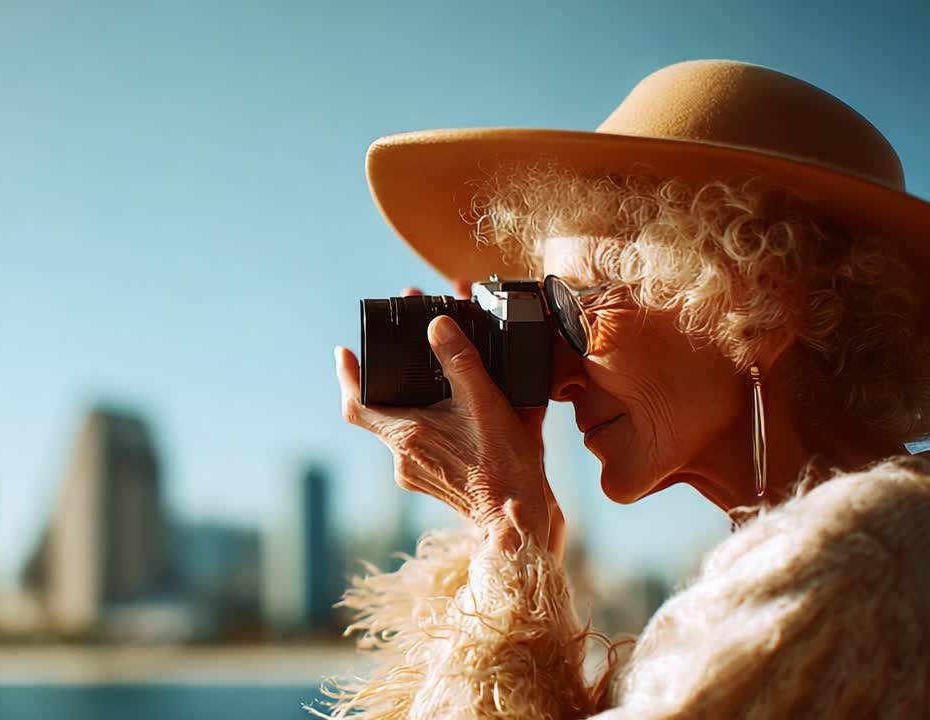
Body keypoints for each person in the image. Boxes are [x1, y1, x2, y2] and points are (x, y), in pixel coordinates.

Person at [319, 60, 930, 718]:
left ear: (761, 300)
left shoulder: (856, 566)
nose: (556, 380)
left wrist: (508, 534)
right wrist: (528, 534)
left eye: (577, 307)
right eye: (545, 321)